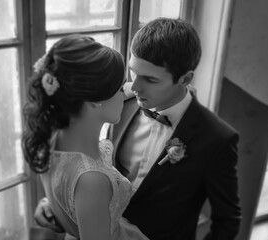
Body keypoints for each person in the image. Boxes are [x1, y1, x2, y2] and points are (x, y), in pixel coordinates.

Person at [35, 18, 241, 240]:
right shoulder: (117, 102)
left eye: (151, 80)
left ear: (185, 78)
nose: (134, 86)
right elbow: (87, 164)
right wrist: (60, 204)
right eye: (133, 71)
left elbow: (227, 221)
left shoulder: (217, 139)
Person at [22, 34, 149, 240]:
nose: (128, 92)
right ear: (94, 100)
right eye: (119, 88)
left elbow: (65, 197)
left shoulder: (50, 137)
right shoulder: (91, 180)